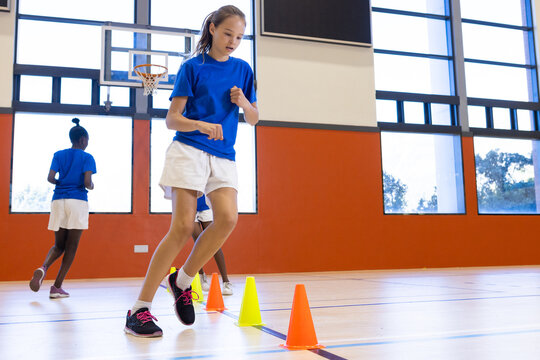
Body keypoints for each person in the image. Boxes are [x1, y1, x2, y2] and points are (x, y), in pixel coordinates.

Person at [124, 5, 258, 338]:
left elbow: (254, 118)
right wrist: (200, 124)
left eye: (239, 37)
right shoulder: (192, 67)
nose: (233, 42)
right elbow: (172, 119)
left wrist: (243, 103)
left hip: (223, 155)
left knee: (227, 219)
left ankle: (182, 280)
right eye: (228, 34)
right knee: (183, 226)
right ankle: (139, 310)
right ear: (212, 29)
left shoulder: (243, 70)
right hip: (188, 150)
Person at [29, 118, 96, 299]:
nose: (87, 143)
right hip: (77, 202)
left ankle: (43, 268)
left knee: (59, 245)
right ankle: (57, 287)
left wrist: (62, 183)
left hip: (58, 201)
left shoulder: (58, 155)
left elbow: (50, 178)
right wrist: (91, 185)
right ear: (82, 139)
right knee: (71, 247)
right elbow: (87, 182)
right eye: (87, 140)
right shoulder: (87, 157)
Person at [193, 195, 233, 295]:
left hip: (206, 207)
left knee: (214, 242)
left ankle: (226, 282)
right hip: (190, 207)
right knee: (198, 242)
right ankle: (201, 276)